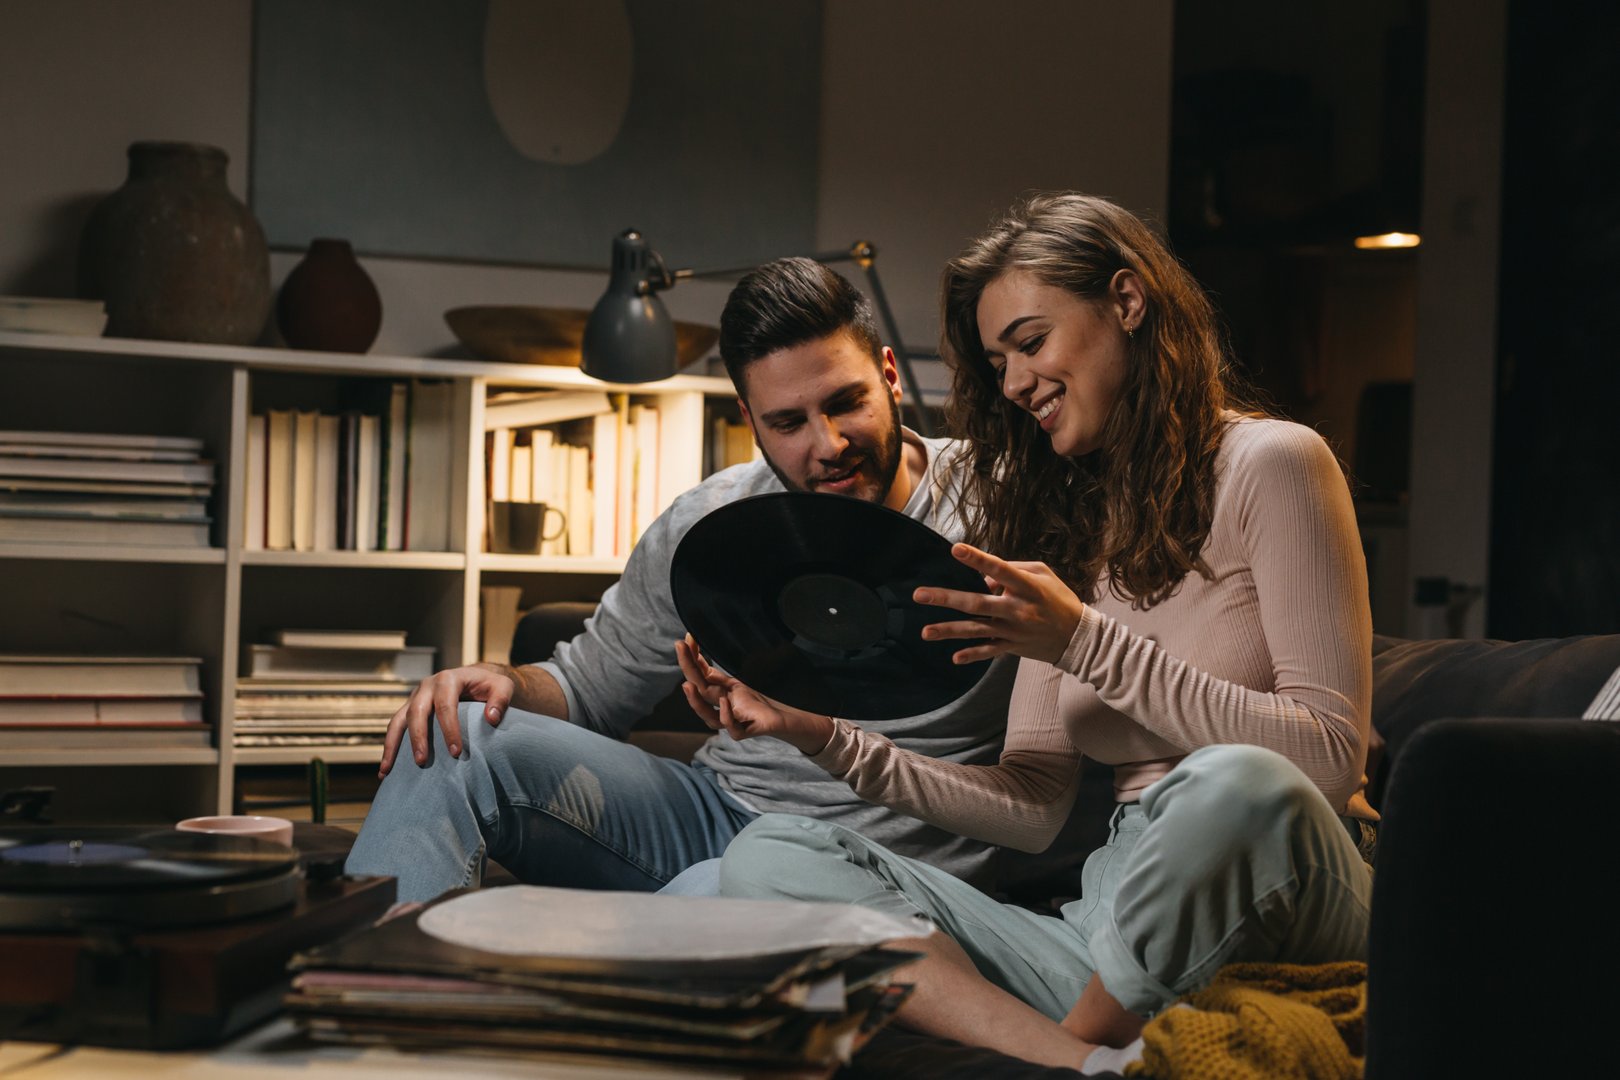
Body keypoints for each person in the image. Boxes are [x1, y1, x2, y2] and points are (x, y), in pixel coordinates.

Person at [694, 194, 1376, 1071]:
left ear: (1127, 303)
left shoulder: (1274, 463)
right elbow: (1030, 809)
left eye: (1030, 342)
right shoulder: (1075, 524)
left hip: (1284, 878)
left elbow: (1326, 758)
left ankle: (1078, 1040)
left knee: (1229, 782)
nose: (1014, 382)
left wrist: (1083, 644)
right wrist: (820, 737)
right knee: (770, 856)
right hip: (1110, 927)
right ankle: (1080, 1062)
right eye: (996, 360)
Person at [345, 257, 1018, 903]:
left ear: (890, 375)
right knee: (455, 735)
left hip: (879, 864)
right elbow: (587, 690)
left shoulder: (1008, 505)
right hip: (712, 818)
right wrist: (504, 680)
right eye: (788, 422)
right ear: (749, 419)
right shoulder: (712, 519)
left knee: (712, 890)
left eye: (846, 403)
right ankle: (362, 994)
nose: (828, 444)